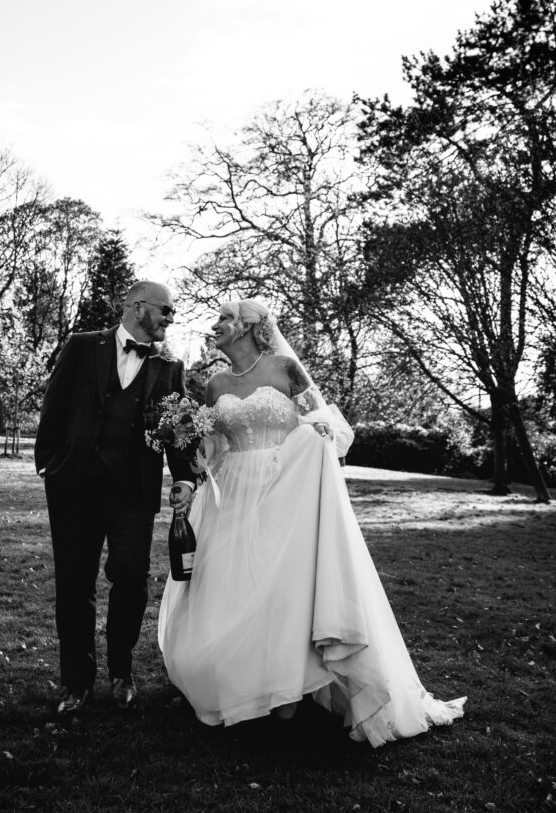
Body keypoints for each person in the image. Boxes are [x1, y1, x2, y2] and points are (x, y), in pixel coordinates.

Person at [158, 299, 466, 747]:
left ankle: (285, 689)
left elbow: (327, 425)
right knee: (229, 585)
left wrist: (314, 437)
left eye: (224, 319)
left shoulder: (286, 368)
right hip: (232, 494)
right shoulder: (214, 383)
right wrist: (191, 455)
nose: (215, 325)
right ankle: (239, 683)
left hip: (288, 489)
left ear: (247, 327)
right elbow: (215, 447)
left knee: (282, 587)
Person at [35, 281, 197, 716]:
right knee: (74, 583)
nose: (171, 318)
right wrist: (49, 463)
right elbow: (55, 405)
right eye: (166, 310)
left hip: (133, 491)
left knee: (130, 577)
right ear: (137, 307)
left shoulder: (169, 366)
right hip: (73, 486)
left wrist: (185, 477)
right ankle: (76, 681)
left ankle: (121, 671)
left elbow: (178, 428)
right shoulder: (83, 346)